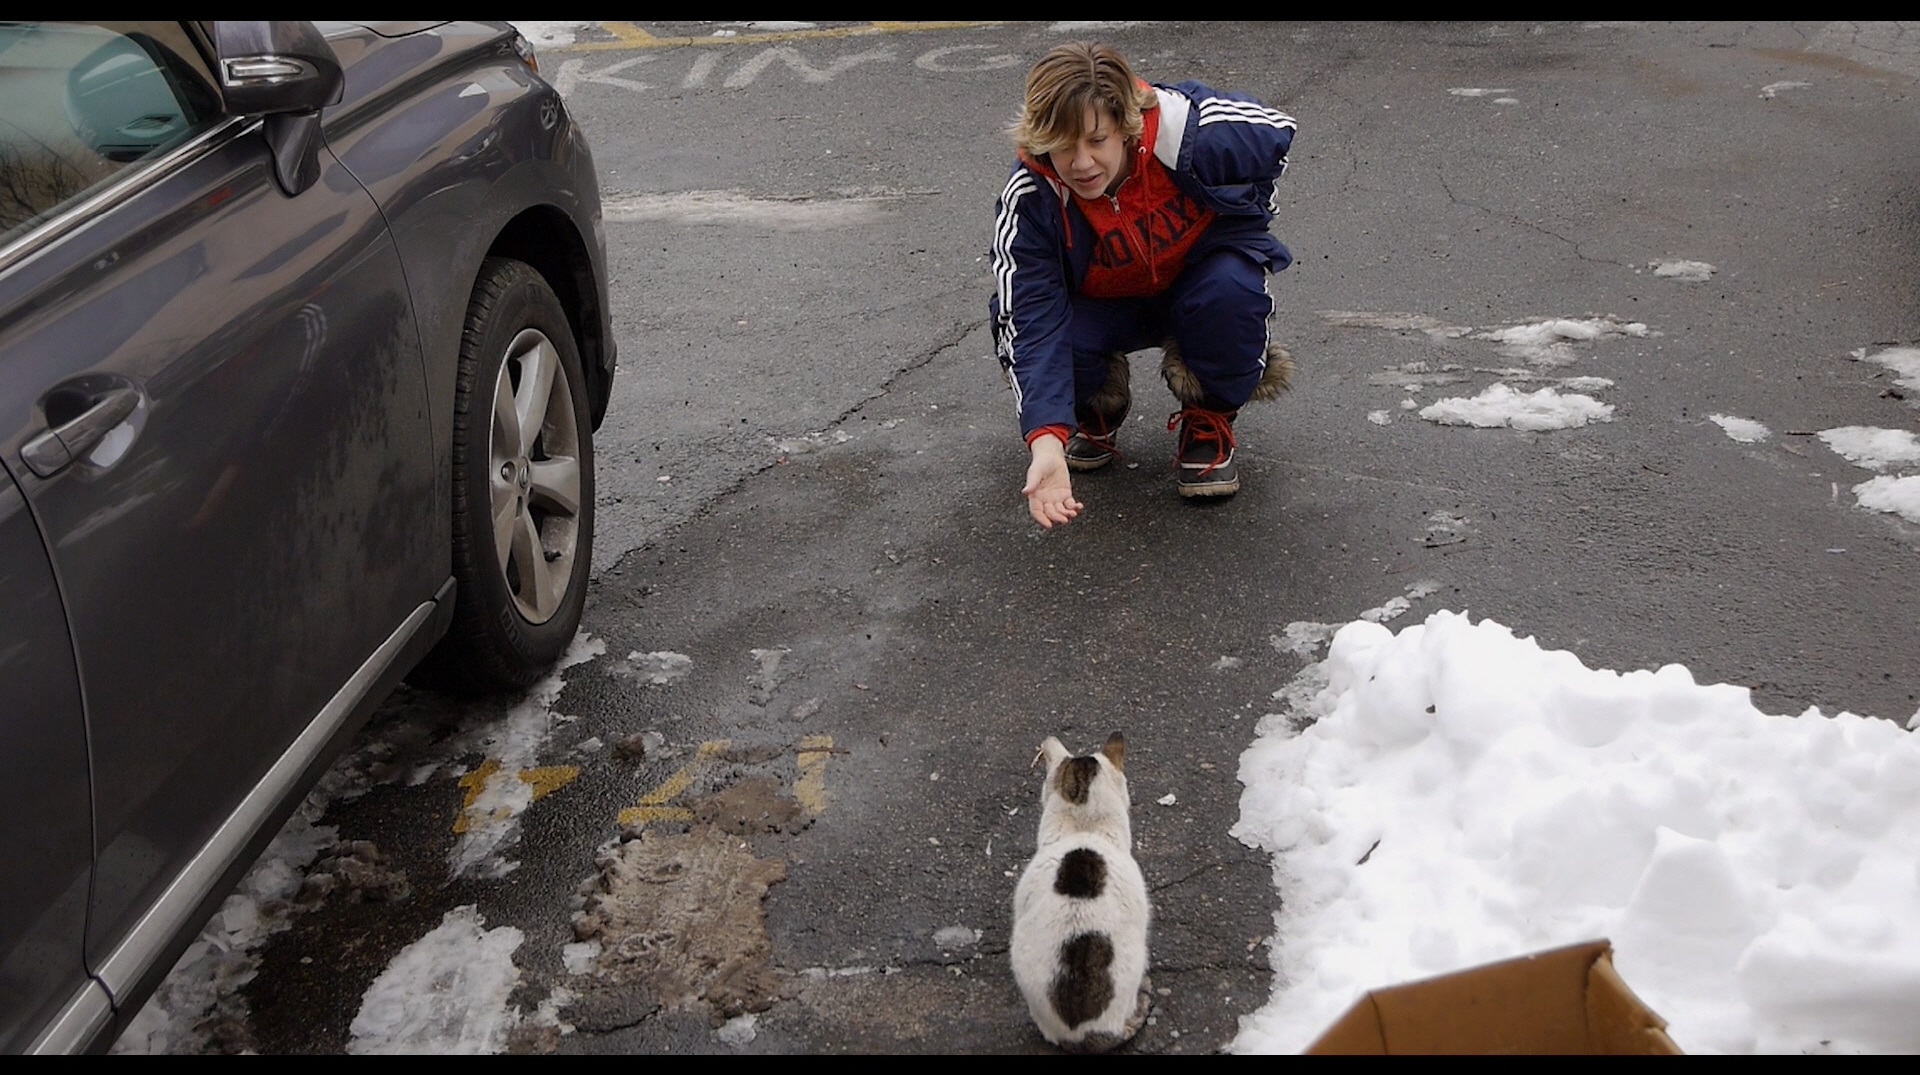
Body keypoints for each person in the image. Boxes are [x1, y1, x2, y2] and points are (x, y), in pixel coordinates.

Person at [990, 42, 1298, 529]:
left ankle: (1209, 413)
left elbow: (1277, 133)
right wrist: (1045, 440)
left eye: (1096, 140)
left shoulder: (1189, 135)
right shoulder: (1030, 197)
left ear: (1126, 127)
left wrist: (1252, 208)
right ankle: (1091, 408)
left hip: (1197, 281)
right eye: (1063, 144)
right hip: (1103, 302)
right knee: (1048, 332)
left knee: (1232, 288)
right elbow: (1029, 321)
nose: (1081, 162)